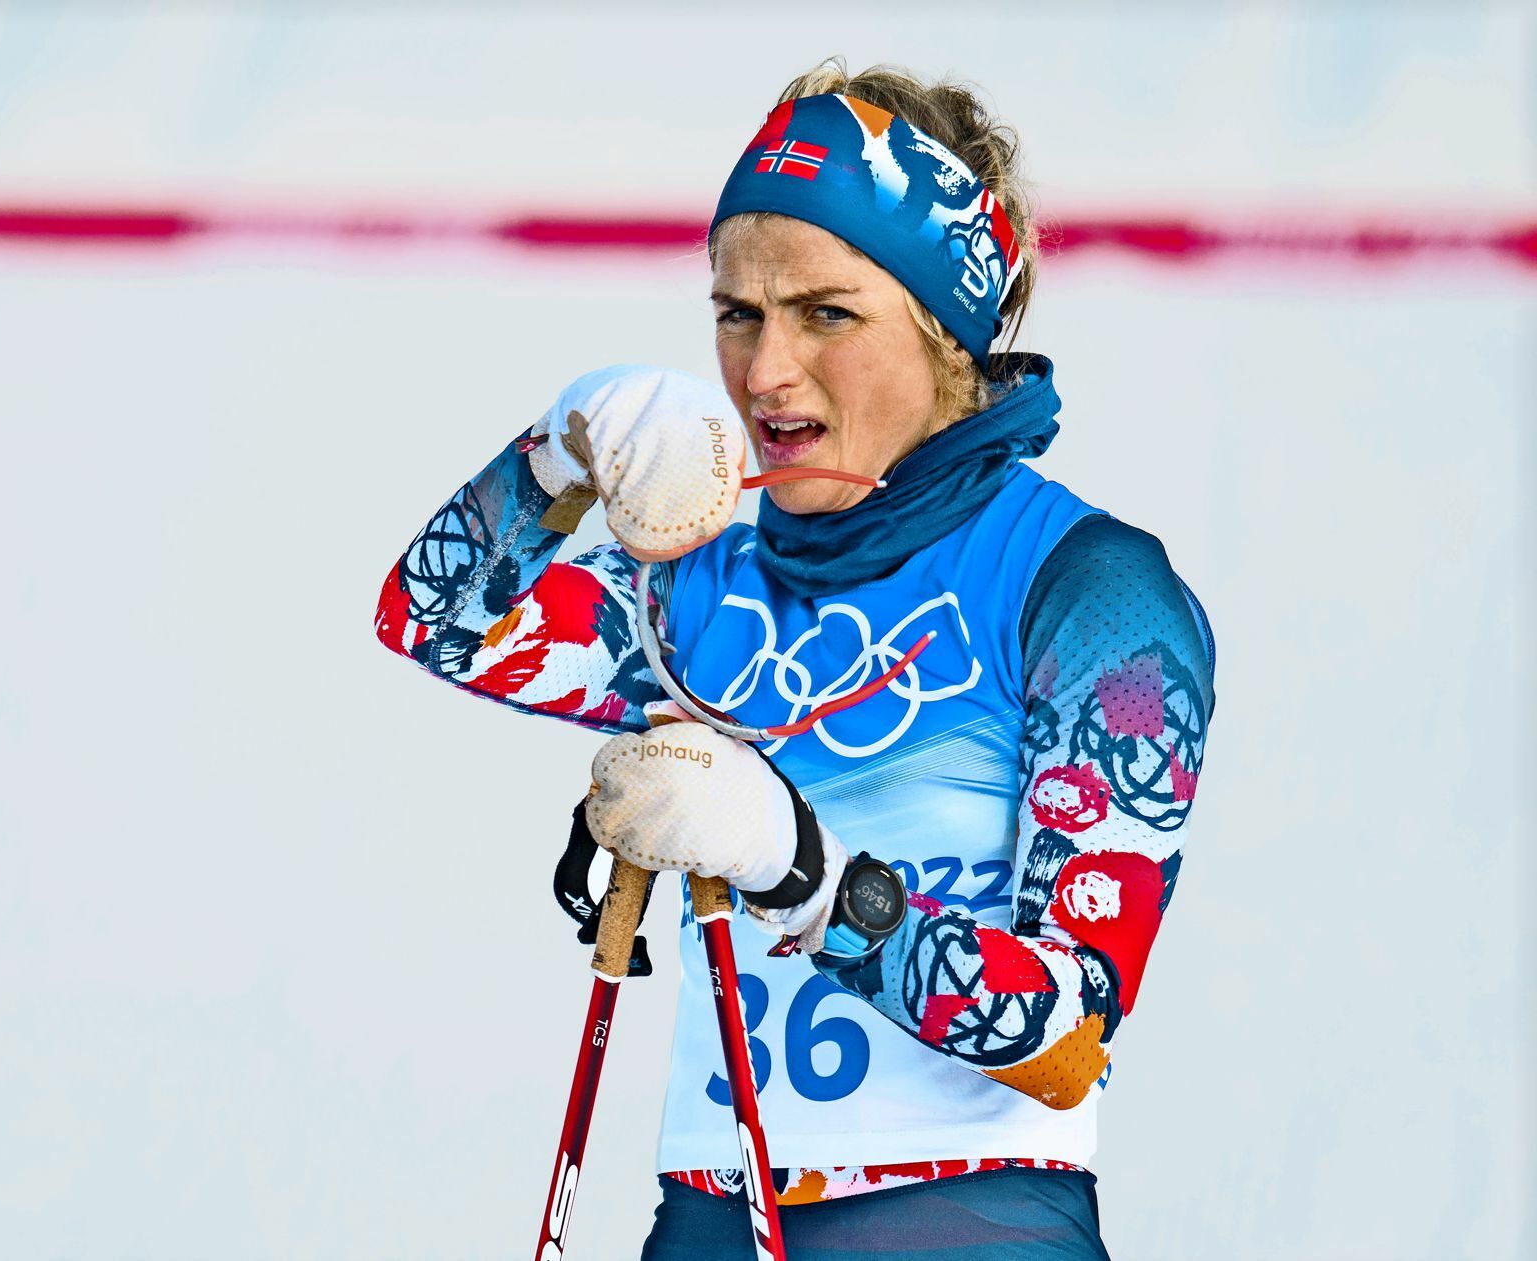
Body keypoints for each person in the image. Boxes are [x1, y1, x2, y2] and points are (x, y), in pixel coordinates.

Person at [374, 58, 1214, 1261]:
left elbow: (1065, 1034)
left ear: (945, 331)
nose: (766, 373)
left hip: (963, 1220)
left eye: (827, 313)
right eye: (738, 312)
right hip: (718, 1210)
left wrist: (800, 870)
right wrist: (561, 448)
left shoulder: (1086, 588)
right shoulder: (704, 587)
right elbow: (438, 615)